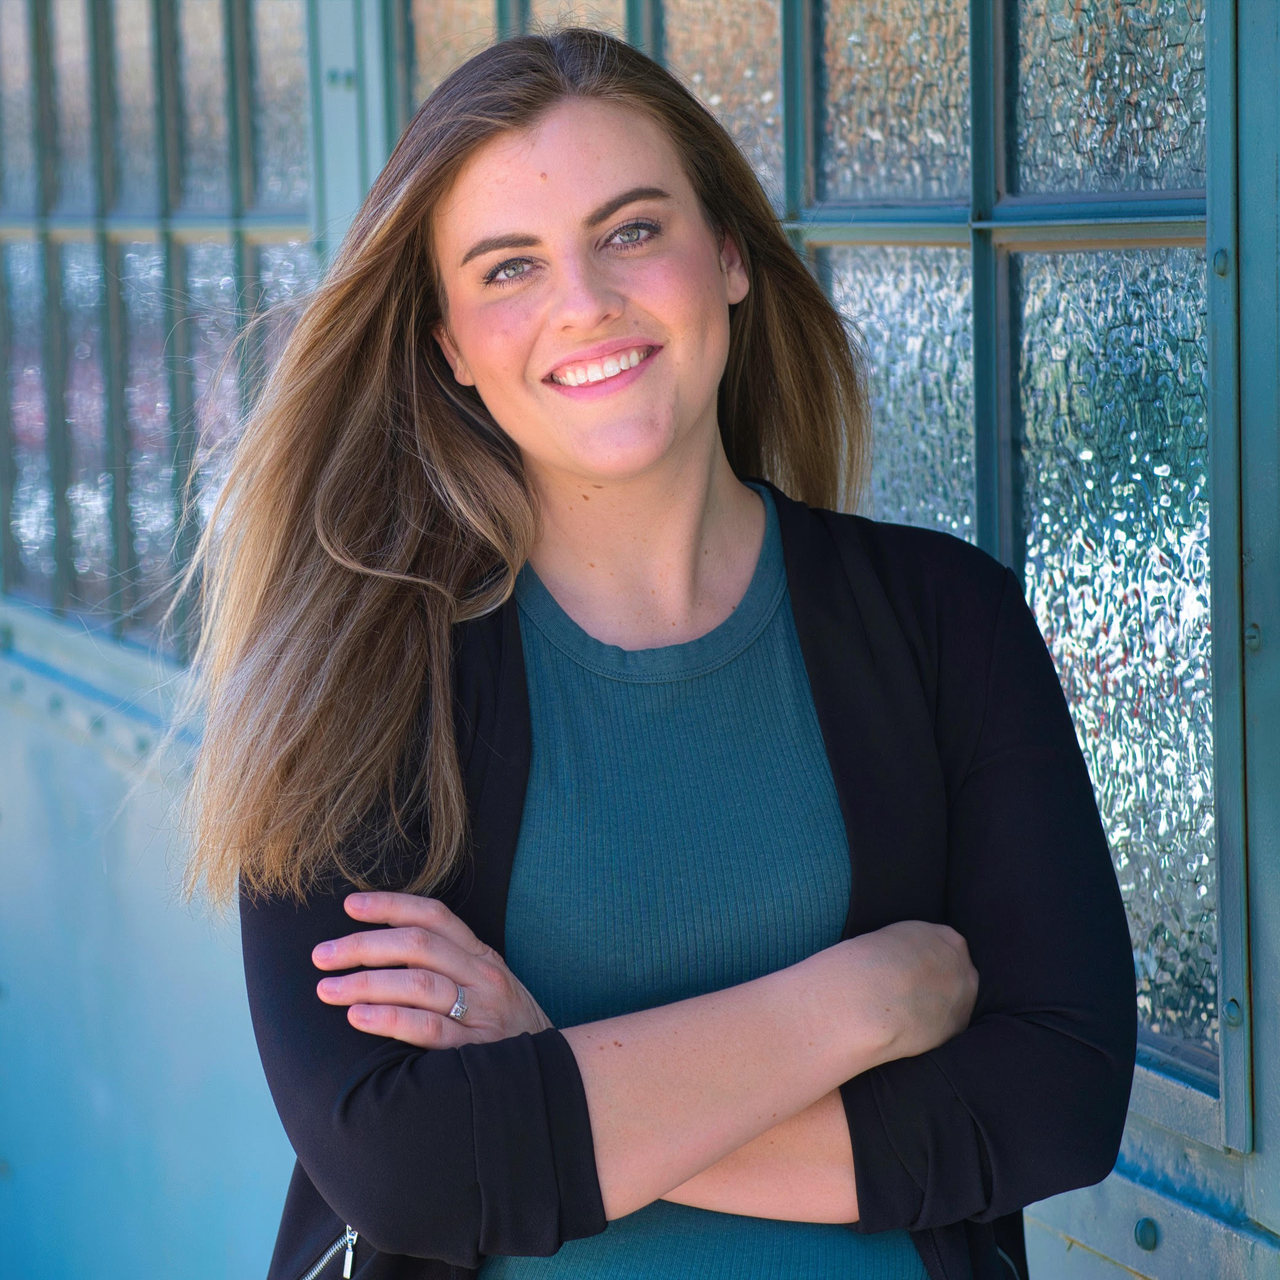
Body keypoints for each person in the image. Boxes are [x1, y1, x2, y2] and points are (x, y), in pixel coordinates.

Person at [183, 29, 1136, 1280]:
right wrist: (853, 1009)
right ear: (449, 345)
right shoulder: (359, 685)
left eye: (631, 230)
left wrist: (546, 1059)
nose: (584, 302)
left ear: (728, 255)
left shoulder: (944, 619)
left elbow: (1055, 1096)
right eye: (509, 267)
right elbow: (404, 1165)